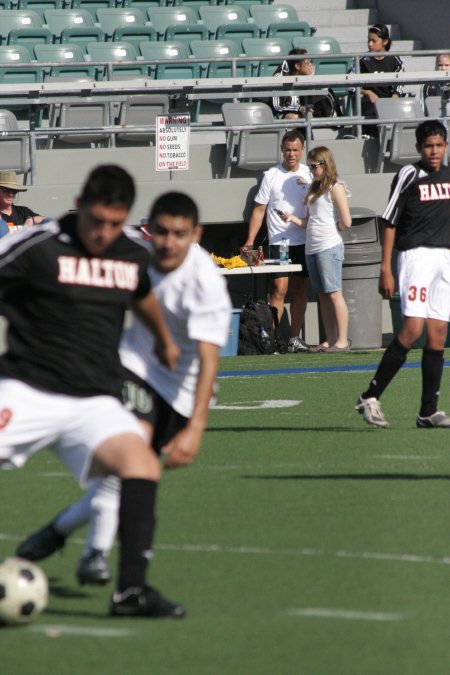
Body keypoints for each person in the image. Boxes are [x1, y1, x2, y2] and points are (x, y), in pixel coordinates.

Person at [0, 164, 190, 619]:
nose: (103, 233)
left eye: (114, 222)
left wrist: (163, 339)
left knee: (141, 462)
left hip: (94, 399)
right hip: (26, 389)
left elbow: (141, 292)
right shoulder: (37, 245)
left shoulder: (130, 253)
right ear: (80, 206)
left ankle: (131, 592)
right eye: (96, 221)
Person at [16, 192, 232, 590]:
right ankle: (96, 555)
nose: (167, 242)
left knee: (124, 479)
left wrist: (196, 427)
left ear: (196, 234)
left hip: (181, 395)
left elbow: (209, 361)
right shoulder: (135, 252)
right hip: (130, 370)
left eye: (179, 234)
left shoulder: (206, 285)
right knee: (126, 463)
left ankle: (57, 531)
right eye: (160, 232)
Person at [356, 120, 450, 428]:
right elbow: (390, 221)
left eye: (438, 145)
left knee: (437, 335)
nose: (433, 151)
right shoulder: (409, 175)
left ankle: (427, 411)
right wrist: (386, 267)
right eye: (428, 146)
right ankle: (370, 395)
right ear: (418, 148)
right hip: (415, 257)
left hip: (444, 259)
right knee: (412, 328)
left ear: (446, 146)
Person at [244, 129, 312, 353]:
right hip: (279, 242)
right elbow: (259, 209)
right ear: (282, 150)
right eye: (287, 150)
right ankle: (270, 341)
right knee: (279, 290)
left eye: (295, 150)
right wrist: (250, 241)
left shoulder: (309, 174)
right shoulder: (271, 175)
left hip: (305, 240)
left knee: (300, 290)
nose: (291, 154)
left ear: (302, 151)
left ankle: (294, 338)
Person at [281, 146, 352, 352]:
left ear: (325, 164)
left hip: (329, 246)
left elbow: (346, 221)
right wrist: (292, 218)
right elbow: (311, 221)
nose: (311, 170)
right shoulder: (315, 187)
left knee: (334, 293)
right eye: (310, 166)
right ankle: (330, 340)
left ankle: (342, 340)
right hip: (312, 248)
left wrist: (333, 229)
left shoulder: (335, 187)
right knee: (321, 294)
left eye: (314, 166)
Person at [354, 24, 404, 137]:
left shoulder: (395, 60)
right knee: (373, 110)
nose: (369, 44)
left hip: (389, 101)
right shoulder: (361, 60)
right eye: (368, 40)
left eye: (373, 41)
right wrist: (367, 92)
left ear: (385, 42)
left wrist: (393, 100)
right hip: (370, 102)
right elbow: (350, 86)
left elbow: (399, 86)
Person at [272, 48, 340, 120]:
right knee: (293, 117)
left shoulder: (301, 76)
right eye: (308, 63)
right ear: (297, 66)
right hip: (282, 113)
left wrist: (310, 79)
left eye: (311, 62)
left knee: (309, 114)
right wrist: (298, 108)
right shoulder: (280, 77)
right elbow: (277, 106)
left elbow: (308, 99)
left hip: (300, 108)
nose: (311, 65)